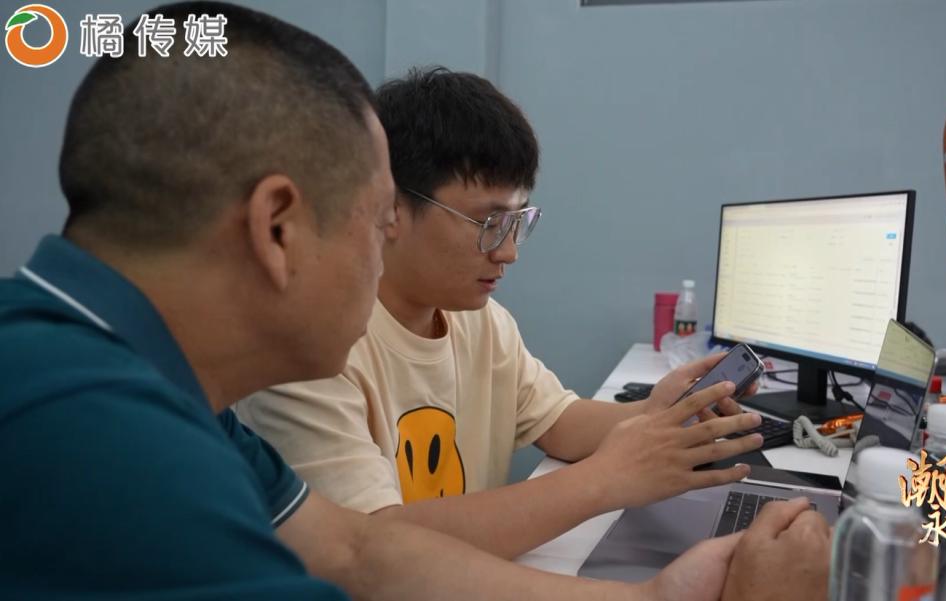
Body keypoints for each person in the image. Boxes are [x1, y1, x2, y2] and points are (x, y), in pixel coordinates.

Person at [0, 2, 829, 600]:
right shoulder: (99, 435)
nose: (381, 250)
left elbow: (358, 552)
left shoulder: (165, 392)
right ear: (278, 227)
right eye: (373, 222)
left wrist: (658, 595)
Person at [236, 67, 765, 559]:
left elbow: (559, 422)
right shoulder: (312, 351)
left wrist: (658, 411)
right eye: (489, 223)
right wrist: (605, 479)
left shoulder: (481, 320)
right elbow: (373, 551)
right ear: (390, 207)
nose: (509, 252)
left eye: (517, 222)